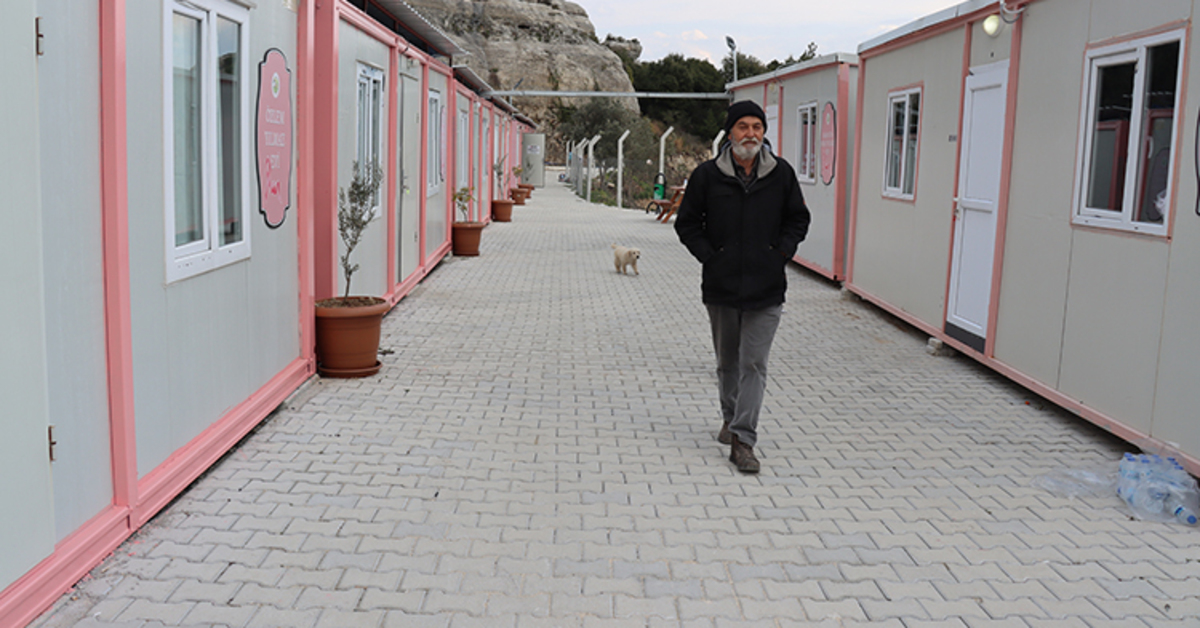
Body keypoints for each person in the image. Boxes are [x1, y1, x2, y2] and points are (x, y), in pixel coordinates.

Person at [674, 100, 811, 473]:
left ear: (764, 132)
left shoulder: (780, 174)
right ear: (730, 133)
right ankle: (731, 417)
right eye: (743, 127)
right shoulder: (707, 176)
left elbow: (798, 219)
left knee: (754, 362)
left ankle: (743, 439)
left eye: (757, 127)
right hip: (721, 286)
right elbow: (686, 224)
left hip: (766, 287)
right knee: (727, 363)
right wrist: (710, 256)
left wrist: (778, 253)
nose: (751, 134)